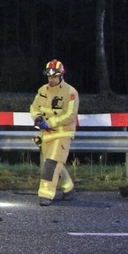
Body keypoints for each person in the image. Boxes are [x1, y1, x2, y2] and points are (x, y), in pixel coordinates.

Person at [30, 59, 79, 206]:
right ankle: (69, 189)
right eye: (49, 76)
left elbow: (70, 115)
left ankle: (45, 195)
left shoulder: (70, 92)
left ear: (61, 75)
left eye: (54, 76)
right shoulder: (42, 90)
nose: (51, 79)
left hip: (62, 134)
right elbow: (34, 107)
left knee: (51, 164)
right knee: (53, 163)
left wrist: (49, 123)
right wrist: (37, 117)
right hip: (46, 134)